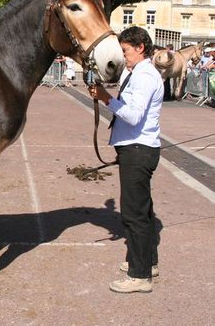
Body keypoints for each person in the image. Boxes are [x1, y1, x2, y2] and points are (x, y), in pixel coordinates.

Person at [88, 26, 163, 293]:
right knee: (142, 211)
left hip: (138, 149)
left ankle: (139, 276)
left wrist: (107, 99)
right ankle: (147, 261)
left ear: (140, 48)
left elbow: (133, 116)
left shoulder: (145, 76)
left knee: (134, 215)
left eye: (126, 51)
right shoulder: (136, 73)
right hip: (136, 148)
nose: (124, 56)